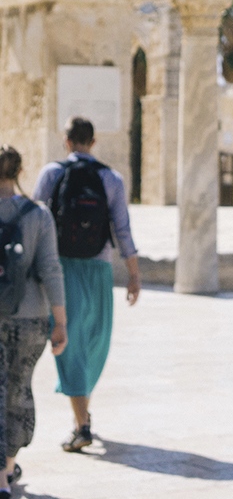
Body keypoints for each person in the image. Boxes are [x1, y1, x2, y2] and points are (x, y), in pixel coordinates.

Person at [32, 118, 141, 453]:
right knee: (93, 342)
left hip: (61, 268)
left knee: (71, 343)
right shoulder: (111, 178)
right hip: (99, 267)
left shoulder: (51, 173)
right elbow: (122, 228)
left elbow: (35, 220)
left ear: (66, 141)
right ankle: (83, 422)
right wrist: (134, 274)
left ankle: (82, 422)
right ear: (93, 142)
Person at [0, 146, 68, 497]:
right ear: (20, 170)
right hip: (30, 318)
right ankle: (7, 470)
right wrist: (61, 323)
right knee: (18, 390)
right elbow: (51, 270)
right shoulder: (38, 214)